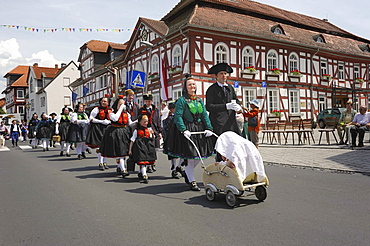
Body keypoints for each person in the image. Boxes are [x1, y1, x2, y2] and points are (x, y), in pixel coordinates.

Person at [163, 74, 215, 191]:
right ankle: (192, 181)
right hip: (188, 130)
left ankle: (186, 171)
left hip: (199, 129)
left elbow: (204, 115)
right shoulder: (181, 100)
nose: (192, 86)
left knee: (198, 156)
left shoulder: (199, 100)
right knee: (191, 156)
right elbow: (178, 116)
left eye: (193, 84)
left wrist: (209, 128)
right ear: (186, 87)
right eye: (189, 84)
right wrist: (183, 129)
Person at [206, 63, 242, 136]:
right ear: (216, 76)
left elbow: (236, 99)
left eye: (225, 73)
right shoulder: (212, 89)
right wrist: (225, 106)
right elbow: (209, 106)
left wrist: (238, 106)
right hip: (218, 123)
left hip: (231, 122)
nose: (224, 76)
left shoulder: (230, 88)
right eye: (221, 73)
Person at [99, 95, 132, 175]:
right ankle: (123, 169)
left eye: (123, 104)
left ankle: (119, 166)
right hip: (115, 132)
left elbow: (130, 123)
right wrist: (120, 109)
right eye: (120, 104)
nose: (122, 106)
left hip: (124, 132)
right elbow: (115, 118)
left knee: (124, 151)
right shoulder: (111, 113)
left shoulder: (126, 113)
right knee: (120, 151)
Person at [85, 95, 112, 170]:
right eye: (102, 101)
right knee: (99, 146)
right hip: (98, 128)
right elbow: (91, 118)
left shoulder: (111, 110)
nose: (103, 102)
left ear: (108, 102)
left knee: (106, 146)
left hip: (107, 128)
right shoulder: (96, 109)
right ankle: (100, 162)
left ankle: (105, 162)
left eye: (105, 101)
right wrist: (101, 121)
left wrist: (109, 122)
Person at [129, 114, 156, 183]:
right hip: (139, 147)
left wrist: (152, 134)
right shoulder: (137, 130)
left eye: (147, 121)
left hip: (148, 147)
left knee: (146, 161)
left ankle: (141, 172)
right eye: (144, 121)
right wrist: (130, 150)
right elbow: (132, 140)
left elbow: (152, 138)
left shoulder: (149, 129)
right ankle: (144, 175)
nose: (146, 123)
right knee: (142, 161)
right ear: (140, 122)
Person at [138, 93, 162, 173]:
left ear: (152, 101)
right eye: (146, 101)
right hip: (145, 130)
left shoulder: (156, 110)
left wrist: (160, 131)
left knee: (155, 148)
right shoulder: (141, 110)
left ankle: (153, 163)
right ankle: (148, 165)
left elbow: (158, 121)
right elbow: (139, 120)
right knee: (147, 148)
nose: (148, 102)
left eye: (149, 101)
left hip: (155, 130)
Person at [162, 101, 183, 179]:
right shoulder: (168, 118)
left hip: (180, 137)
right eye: (174, 108)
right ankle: (174, 169)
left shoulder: (180, 116)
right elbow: (165, 129)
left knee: (183, 153)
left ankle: (179, 166)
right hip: (172, 138)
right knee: (172, 154)